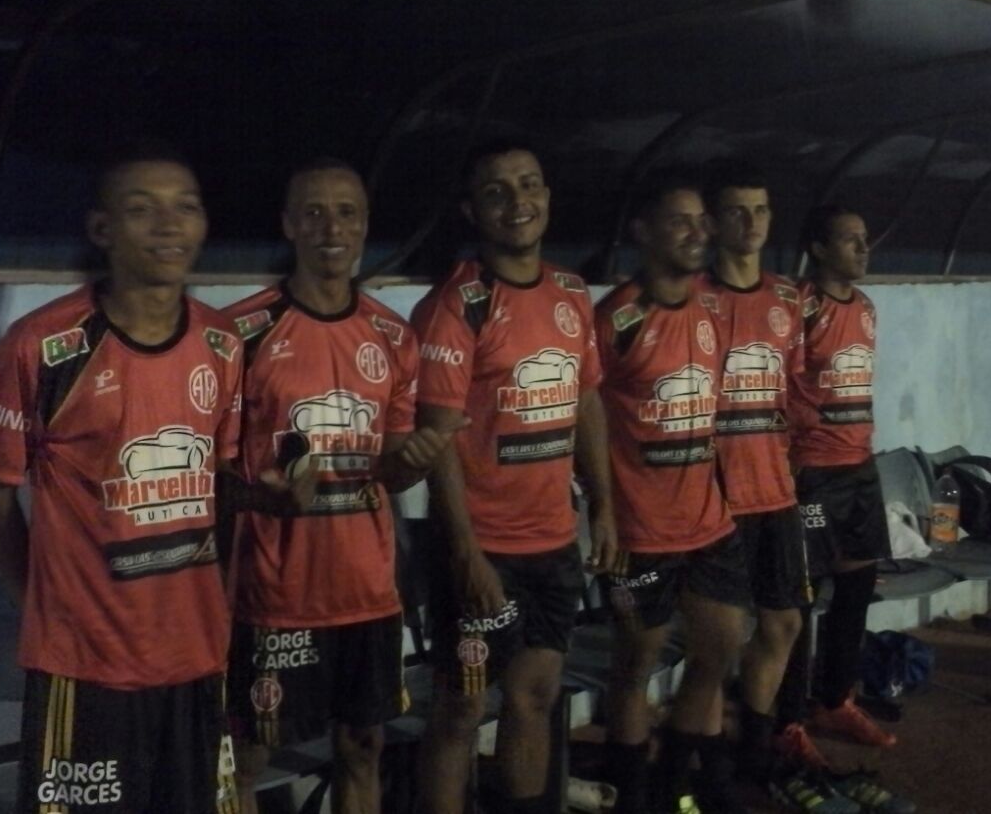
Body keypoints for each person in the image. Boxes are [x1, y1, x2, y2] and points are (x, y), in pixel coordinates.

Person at [0, 142, 243, 813]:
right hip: (86, 664)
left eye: (186, 207)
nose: (169, 224)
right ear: (102, 229)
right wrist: (43, 601)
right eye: (143, 209)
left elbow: (221, 482)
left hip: (195, 655)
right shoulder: (42, 345)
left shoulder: (222, 342)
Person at [220, 159, 455, 814]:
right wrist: (260, 496)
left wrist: (417, 459)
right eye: (315, 212)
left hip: (367, 594)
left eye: (346, 212)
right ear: (289, 224)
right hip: (274, 597)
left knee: (363, 749)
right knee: (246, 760)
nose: (332, 227)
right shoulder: (240, 333)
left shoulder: (392, 334)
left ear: (365, 225)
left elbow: (391, 469)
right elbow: (209, 476)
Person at [411, 139, 616, 814]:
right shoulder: (457, 304)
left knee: (536, 695)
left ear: (547, 196)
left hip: (552, 544)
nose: (518, 201)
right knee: (462, 707)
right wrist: (466, 554)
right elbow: (438, 440)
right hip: (482, 548)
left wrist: (603, 505)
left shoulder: (571, 292)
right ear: (472, 210)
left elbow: (586, 399)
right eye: (497, 191)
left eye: (529, 184)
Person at [595, 175, 751, 814]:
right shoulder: (618, 319)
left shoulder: (712, 308)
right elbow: (586, 414)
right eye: (680, 221)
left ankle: (674, 785)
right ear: (643, 231)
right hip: (640, 531)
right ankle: (631, 795)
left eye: (701, 221)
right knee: (637, 667)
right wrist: (602, 506)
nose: (697, 233)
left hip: (709, 525)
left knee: (718, 653)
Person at [695, 164, 817, 778]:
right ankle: (709, 763)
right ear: (713, 223)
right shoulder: (693, 298)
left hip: (775, 493)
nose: (752, 222)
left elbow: (790, 388)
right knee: (717, 642)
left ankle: (755, 748)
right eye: (738, 211)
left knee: (785, 622)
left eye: (761, 209)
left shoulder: (789, 298)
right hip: (715, 499)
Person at [781, 203, 897, 751]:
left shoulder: (867, 308)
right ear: (819, 249)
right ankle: (786, 721)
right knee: (799, 599)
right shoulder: (798, 306)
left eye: (865, 238)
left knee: (856, 587)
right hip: (811, 472)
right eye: (850, 239)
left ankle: (835, 701)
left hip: (859, 465)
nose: (863, 249)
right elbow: (778, 385)